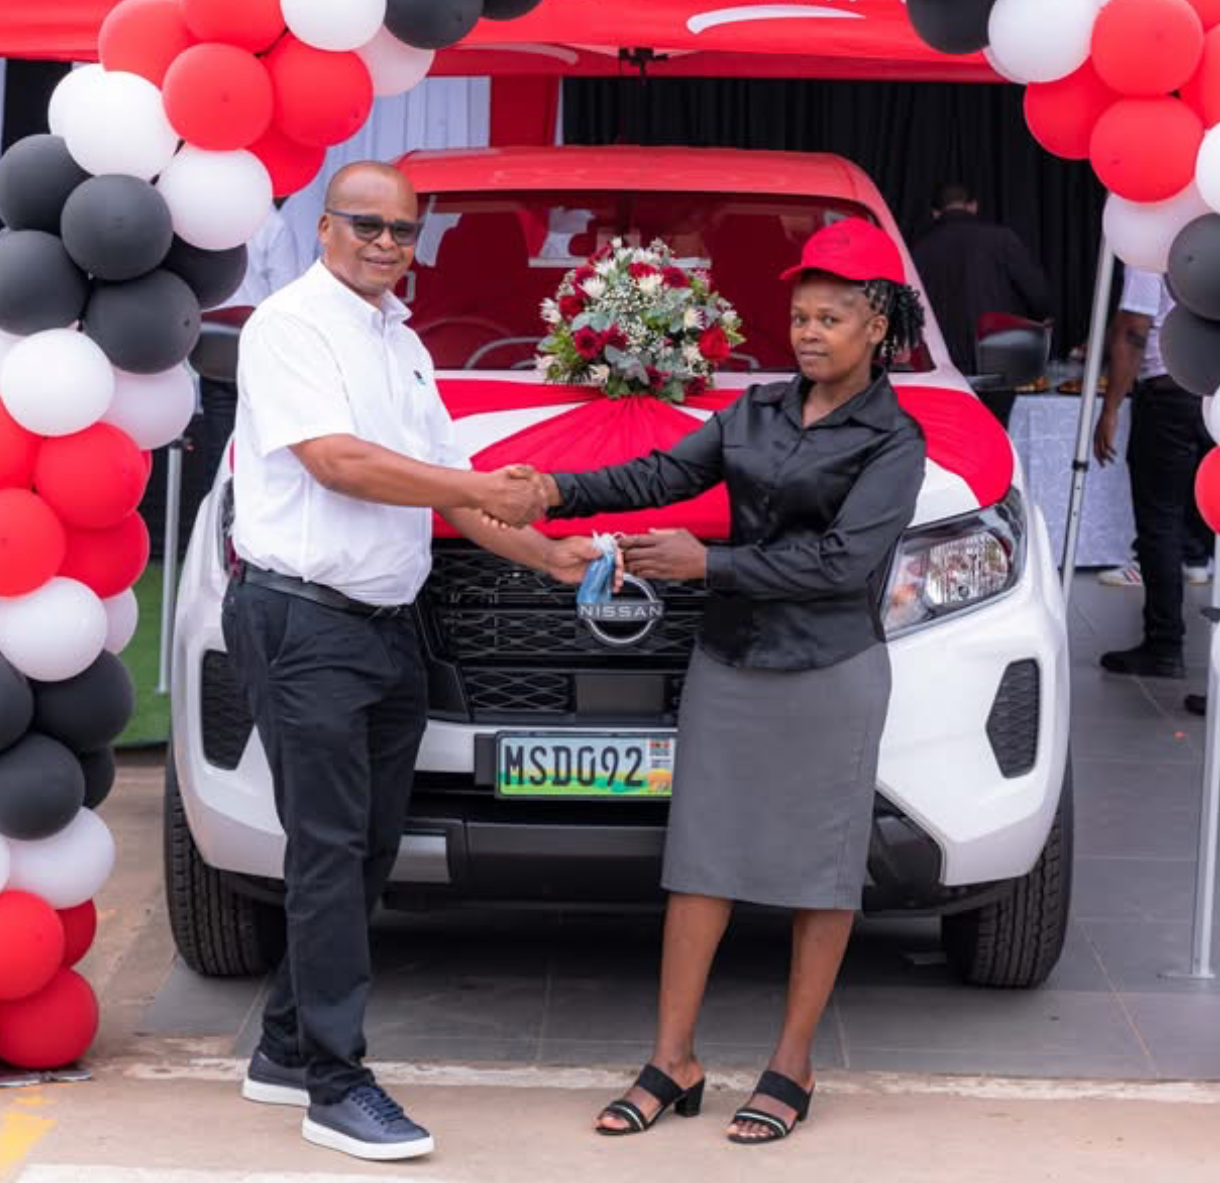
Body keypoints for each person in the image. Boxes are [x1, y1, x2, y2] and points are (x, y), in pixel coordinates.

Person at [224, 161, 600, 1163]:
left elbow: (453, 502)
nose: (388, 243)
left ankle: (285, 1047)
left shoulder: (402, 341)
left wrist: (551, 555)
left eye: (403, 230)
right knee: (328, 849)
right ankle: (337, 1086)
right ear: (325, 228)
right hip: (303, 622)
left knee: (369, 847)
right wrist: (486, 483)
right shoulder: (289, 327)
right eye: (368, 225)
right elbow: (338, 461)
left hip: (387, 626)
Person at [537, 218, 927, 1146]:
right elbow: (664, 471)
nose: (808, 333)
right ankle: (672, 1059)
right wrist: (551, 491)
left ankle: (791, 1064)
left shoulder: (894, 440)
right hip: (731, 659)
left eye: (831, 317)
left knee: (821, 874)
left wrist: (704, 565)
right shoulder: (753, 412)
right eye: (799, 315)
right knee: (699, 862)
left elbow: (840, 564)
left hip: (829, 669)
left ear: (878, 327)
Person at [1095, 267, 1213, 680]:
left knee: (1160, 521)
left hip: (1169, 393)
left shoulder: (1151, 248)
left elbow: (1133, 327)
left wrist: (1110, 407)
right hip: (1213, 396)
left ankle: (1164, 645)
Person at [911, 182, 1053, 426]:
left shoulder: (918, 248)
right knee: (995, 435)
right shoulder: (1001, 238)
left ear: (935, 212)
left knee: (950, 441)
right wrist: (1042, 318)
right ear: (973, 207)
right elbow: (1039, 296)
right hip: (998, 359)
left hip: (942, 365)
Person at [197, 202, 303, 492]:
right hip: (259, 351)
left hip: (213, 349)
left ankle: (217, 527)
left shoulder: (206, 216)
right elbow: (285, 295)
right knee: (260, 450)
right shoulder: (272, 224)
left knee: (219, 454)